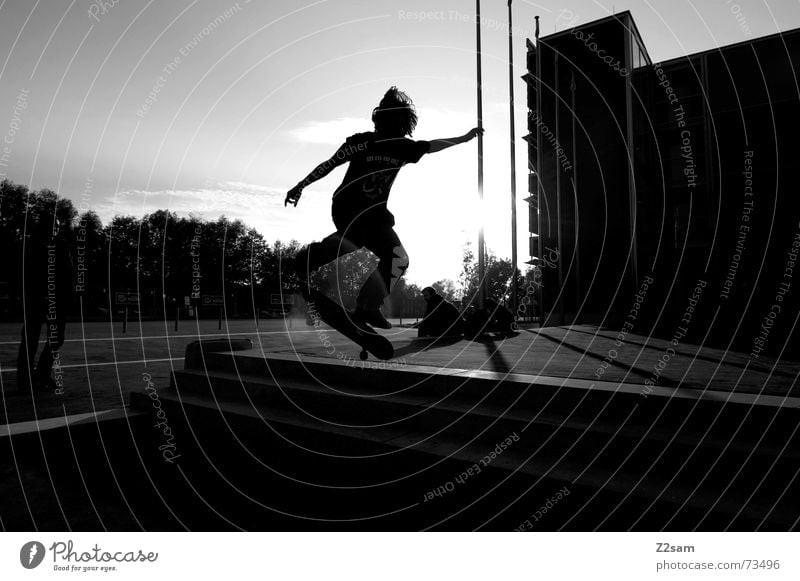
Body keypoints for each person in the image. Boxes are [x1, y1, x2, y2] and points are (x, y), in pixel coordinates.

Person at [286, 86, 483, 329]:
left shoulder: (403, 147)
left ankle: (365, 305)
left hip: (375, 215)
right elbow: (329, 164)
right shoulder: (361, 142)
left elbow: (432, 145)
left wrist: (464, 138)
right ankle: (312, 259)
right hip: (349, 207)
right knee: (355, 239)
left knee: (398, 258)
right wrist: (301, 185)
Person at [16, 210, 73, 393]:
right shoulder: (31, 245)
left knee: (55, 338)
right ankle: (26, 380)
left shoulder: (61, 246)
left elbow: (67, 273)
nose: (55, 229)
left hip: (56, 300)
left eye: (57, 226)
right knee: (31, 340)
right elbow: (25, 273)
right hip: (36, 298)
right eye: (53, 226)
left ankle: (40, 374)